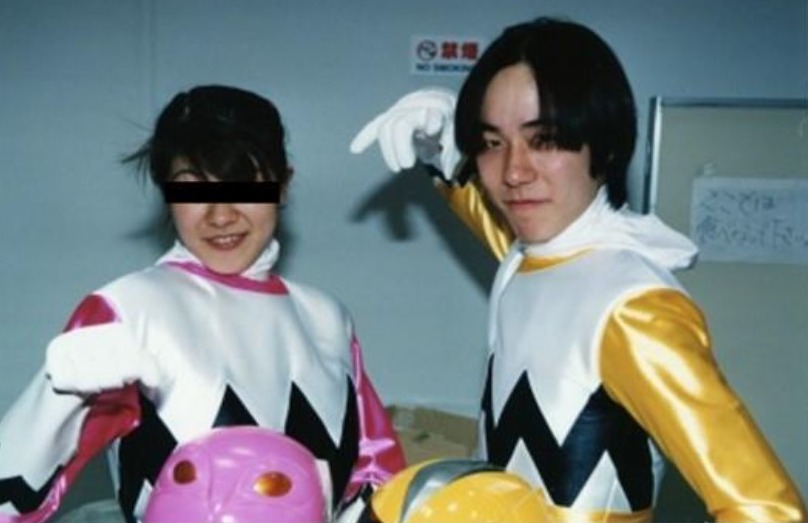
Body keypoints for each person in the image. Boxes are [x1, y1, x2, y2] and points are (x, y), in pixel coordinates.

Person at [350, 17, 806, 522]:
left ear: (604, 145)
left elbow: (766, 509)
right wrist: (444, 150)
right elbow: (496, 224)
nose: (514, 172)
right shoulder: (530, 258)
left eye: (544, 140)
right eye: (493, 142)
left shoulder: (632, 307)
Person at [0, 85, 405, 523]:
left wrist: (450, 182)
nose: (220, 215)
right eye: (191, 188)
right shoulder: (128, 311)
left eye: (244, 183)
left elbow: (383, 489)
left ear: (283, 184)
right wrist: (55, 402)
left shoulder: (325, 317)